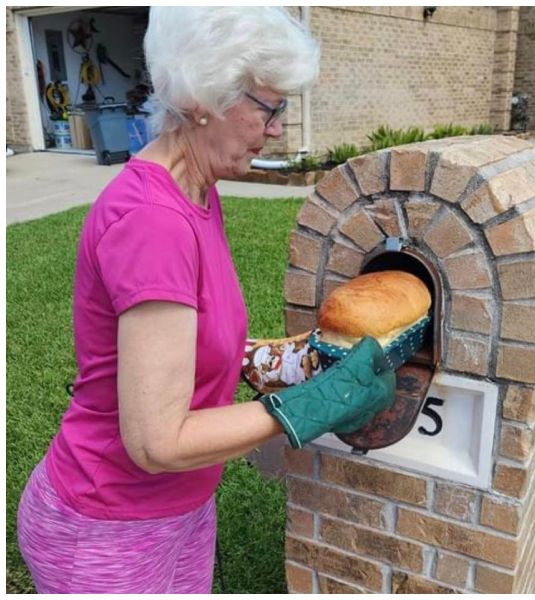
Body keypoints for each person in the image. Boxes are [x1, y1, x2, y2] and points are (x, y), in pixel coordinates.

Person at [16, 7, 394, 593]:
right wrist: (312, 407)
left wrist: (293, 361)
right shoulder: (153, 221)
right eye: (269, 109)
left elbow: (191, 347)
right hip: (106, 530)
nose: (277, 130)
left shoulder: (195, 191)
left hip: (180, 508)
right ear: (203, 100)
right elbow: (157, 443)